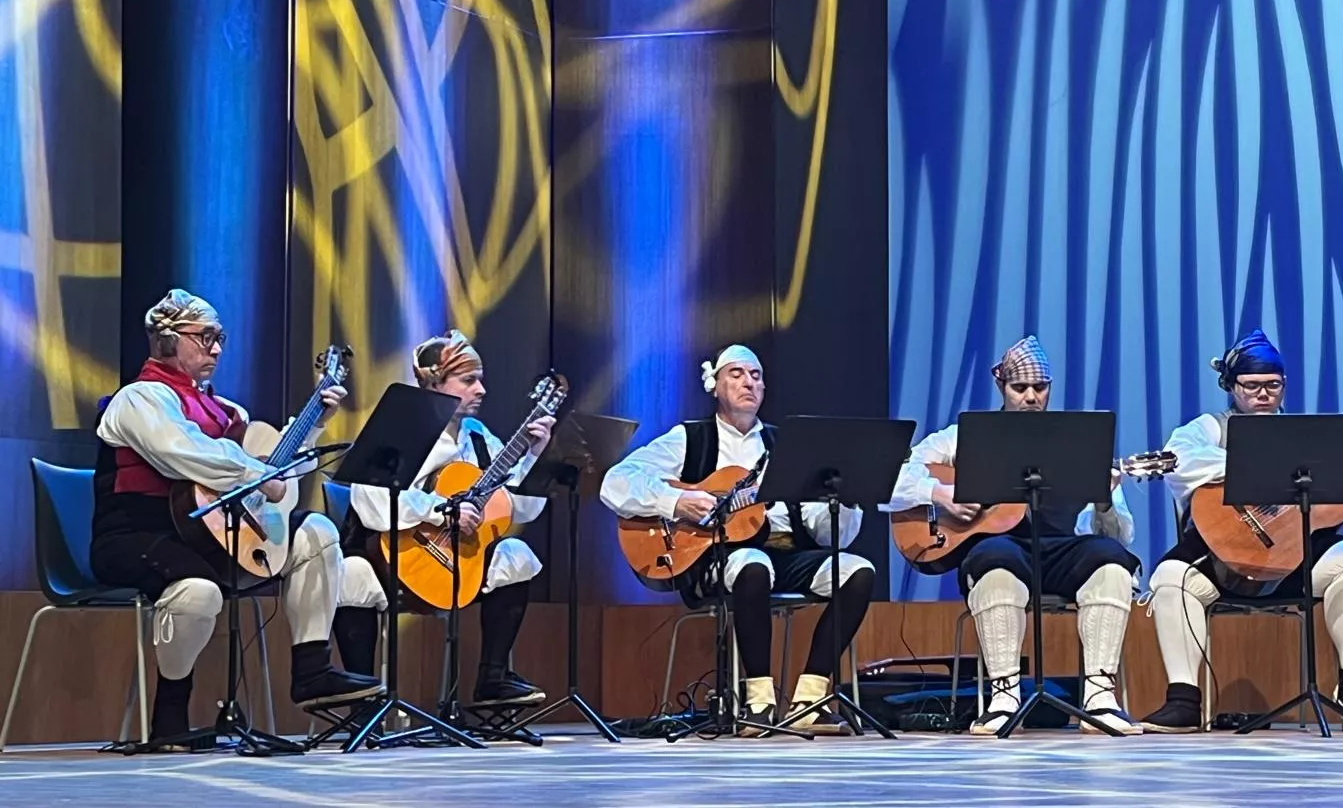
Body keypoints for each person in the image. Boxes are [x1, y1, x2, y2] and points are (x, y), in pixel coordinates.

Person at [91, 289, 381, 742]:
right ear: (167, 339)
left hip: (211, 537)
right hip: (137, 533)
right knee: (196, 592)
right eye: (204, 337)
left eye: (219, 337)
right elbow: (182, 453)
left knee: (317, 532)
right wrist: (258, 471)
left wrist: (314, 424)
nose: (217, 349)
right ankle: (170, 715)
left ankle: (311, 667)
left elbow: (276, 471)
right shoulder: (139, 398)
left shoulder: (230, 412)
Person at [1141, 329, 1343, 734]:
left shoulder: (1308, 436)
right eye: (1251, 386)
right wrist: (1259, 463)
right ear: (1230, 387)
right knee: (1170, 576)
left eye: (1272, 385)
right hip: (1223, 562)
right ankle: (1183, 701)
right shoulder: (1209, 428)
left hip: (1297, 562)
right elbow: (1179, 462)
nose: (1263, 394)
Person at [601, 344, 874, 735]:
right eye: (737, 374)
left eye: (756, 376)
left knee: (857, 571)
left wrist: (843, 502)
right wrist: (677, 501)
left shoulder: (788, 447)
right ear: (714, 385)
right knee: (752, 564)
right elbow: (616, 483)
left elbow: (828, 536)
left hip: (786, 552)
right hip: (718, 558)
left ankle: (810, 699)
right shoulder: (689, 439)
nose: (749, 382)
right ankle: (758, 702)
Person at [887, 336, 1142, 735]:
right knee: (994, 557)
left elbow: (1120, 534)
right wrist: (941, 494)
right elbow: (893, 478)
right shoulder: (963, 437)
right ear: (1001, 387)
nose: (1030, 397)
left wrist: (1105, 499)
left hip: (1060, 553)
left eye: (1039, 389)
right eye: (1019, 388)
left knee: (1111, 558)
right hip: (1002, 550)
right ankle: (1004, 696)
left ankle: (1100, 696)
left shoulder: (1080, 442)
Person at [332, 331, 554, 706]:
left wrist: (533, 456)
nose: (481, 389)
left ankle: (493, 681)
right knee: (351, 573)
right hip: (392, 558)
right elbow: (370, 501)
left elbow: (517, 508)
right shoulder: (402, 427)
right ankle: (361, 699)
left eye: (480, 379)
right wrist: (441, 511)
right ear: (434, 382)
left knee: (517, 554)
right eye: (469, 380)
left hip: (456, 564)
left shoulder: (478, 437)